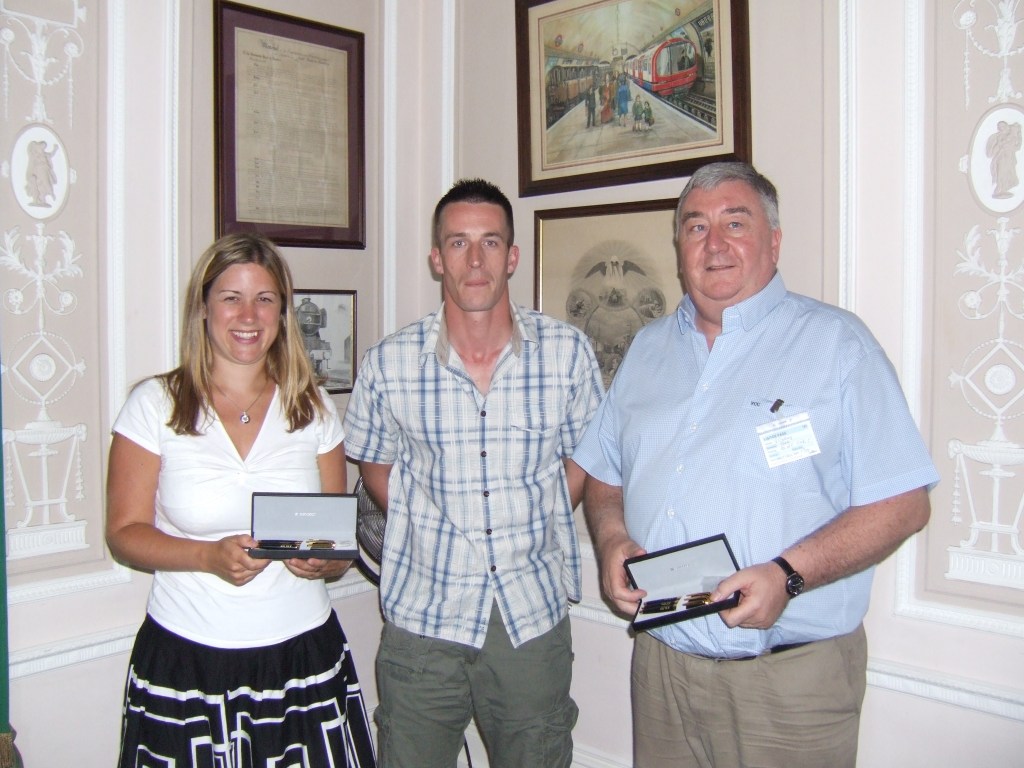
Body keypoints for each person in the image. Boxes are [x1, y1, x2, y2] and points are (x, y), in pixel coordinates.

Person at [573, 162, 939, 768]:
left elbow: (904, 502)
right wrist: (613, 542)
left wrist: (788, 575)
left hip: (788, 683)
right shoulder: (647, 349)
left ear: (773, 239)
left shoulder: (838, 345)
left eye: (734, 223)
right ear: (678, 246)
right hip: (664, 669)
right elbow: (605, 476)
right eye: (695, 228)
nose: (713, 244)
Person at [343, 178, 604, 768]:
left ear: (513, 255)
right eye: (458, 243)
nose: (476, 260)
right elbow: (373, 462)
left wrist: (531, 514)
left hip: (530, 621)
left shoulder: (567, 354)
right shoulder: (389, 363)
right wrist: (422, 519)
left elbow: (585, 458)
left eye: (490, 242)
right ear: (437, 258)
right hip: (423, 624)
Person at [106, 233, 376, 768]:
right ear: (203, 308)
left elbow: (339, 547)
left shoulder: (314, 406)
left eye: (265, 299)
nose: (248, 315)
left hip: (303, 657)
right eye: (230, 297)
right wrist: (206, 556)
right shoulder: (154, 405)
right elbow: (123, 532)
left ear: (283, 311)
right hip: (186, 661)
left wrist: (325, 560)